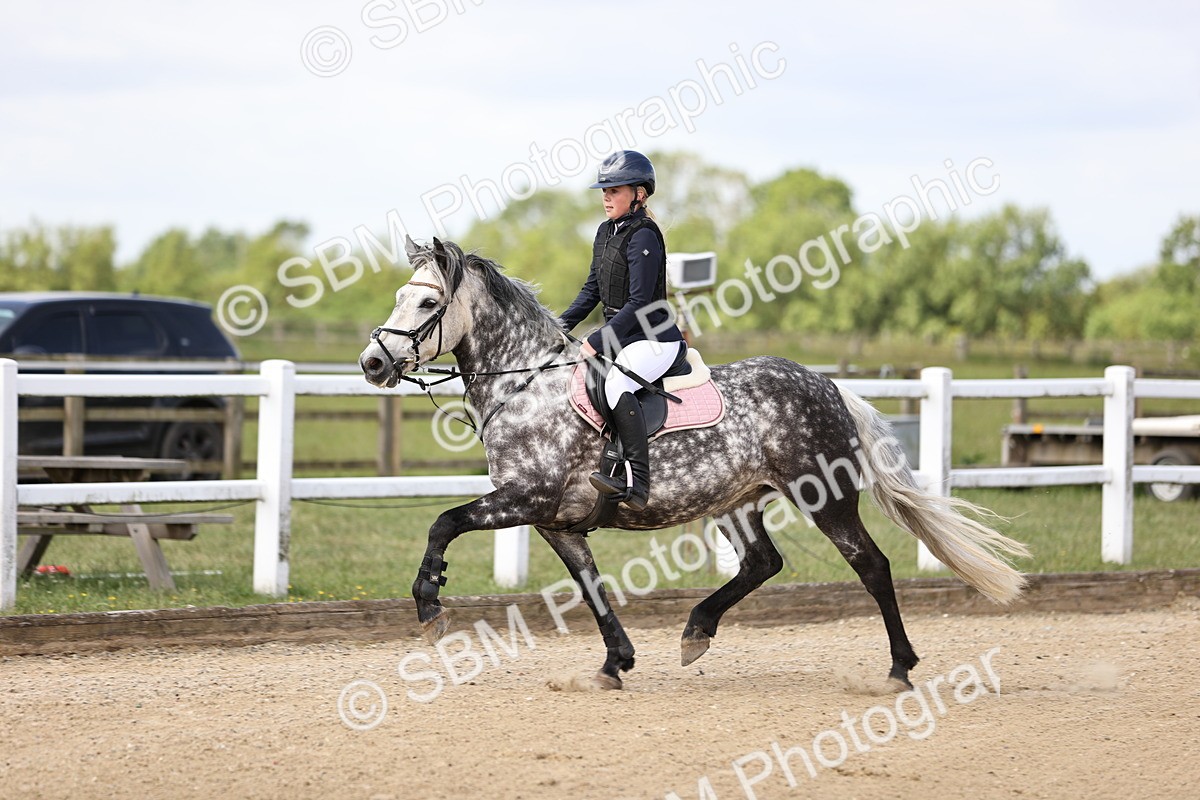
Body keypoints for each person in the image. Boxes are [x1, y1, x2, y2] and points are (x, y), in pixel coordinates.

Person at [559, 150, 685, 511]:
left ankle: (637, 482)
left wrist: (599, 339)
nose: (606, 196)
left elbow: (641, 302)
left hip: (654, 336)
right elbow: (592, 291)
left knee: (616, 383)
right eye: (604, 190)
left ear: (639, 194)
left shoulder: (645, 234)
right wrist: (557, 326)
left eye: (615, 189)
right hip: (624, 333)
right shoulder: (605, 232)